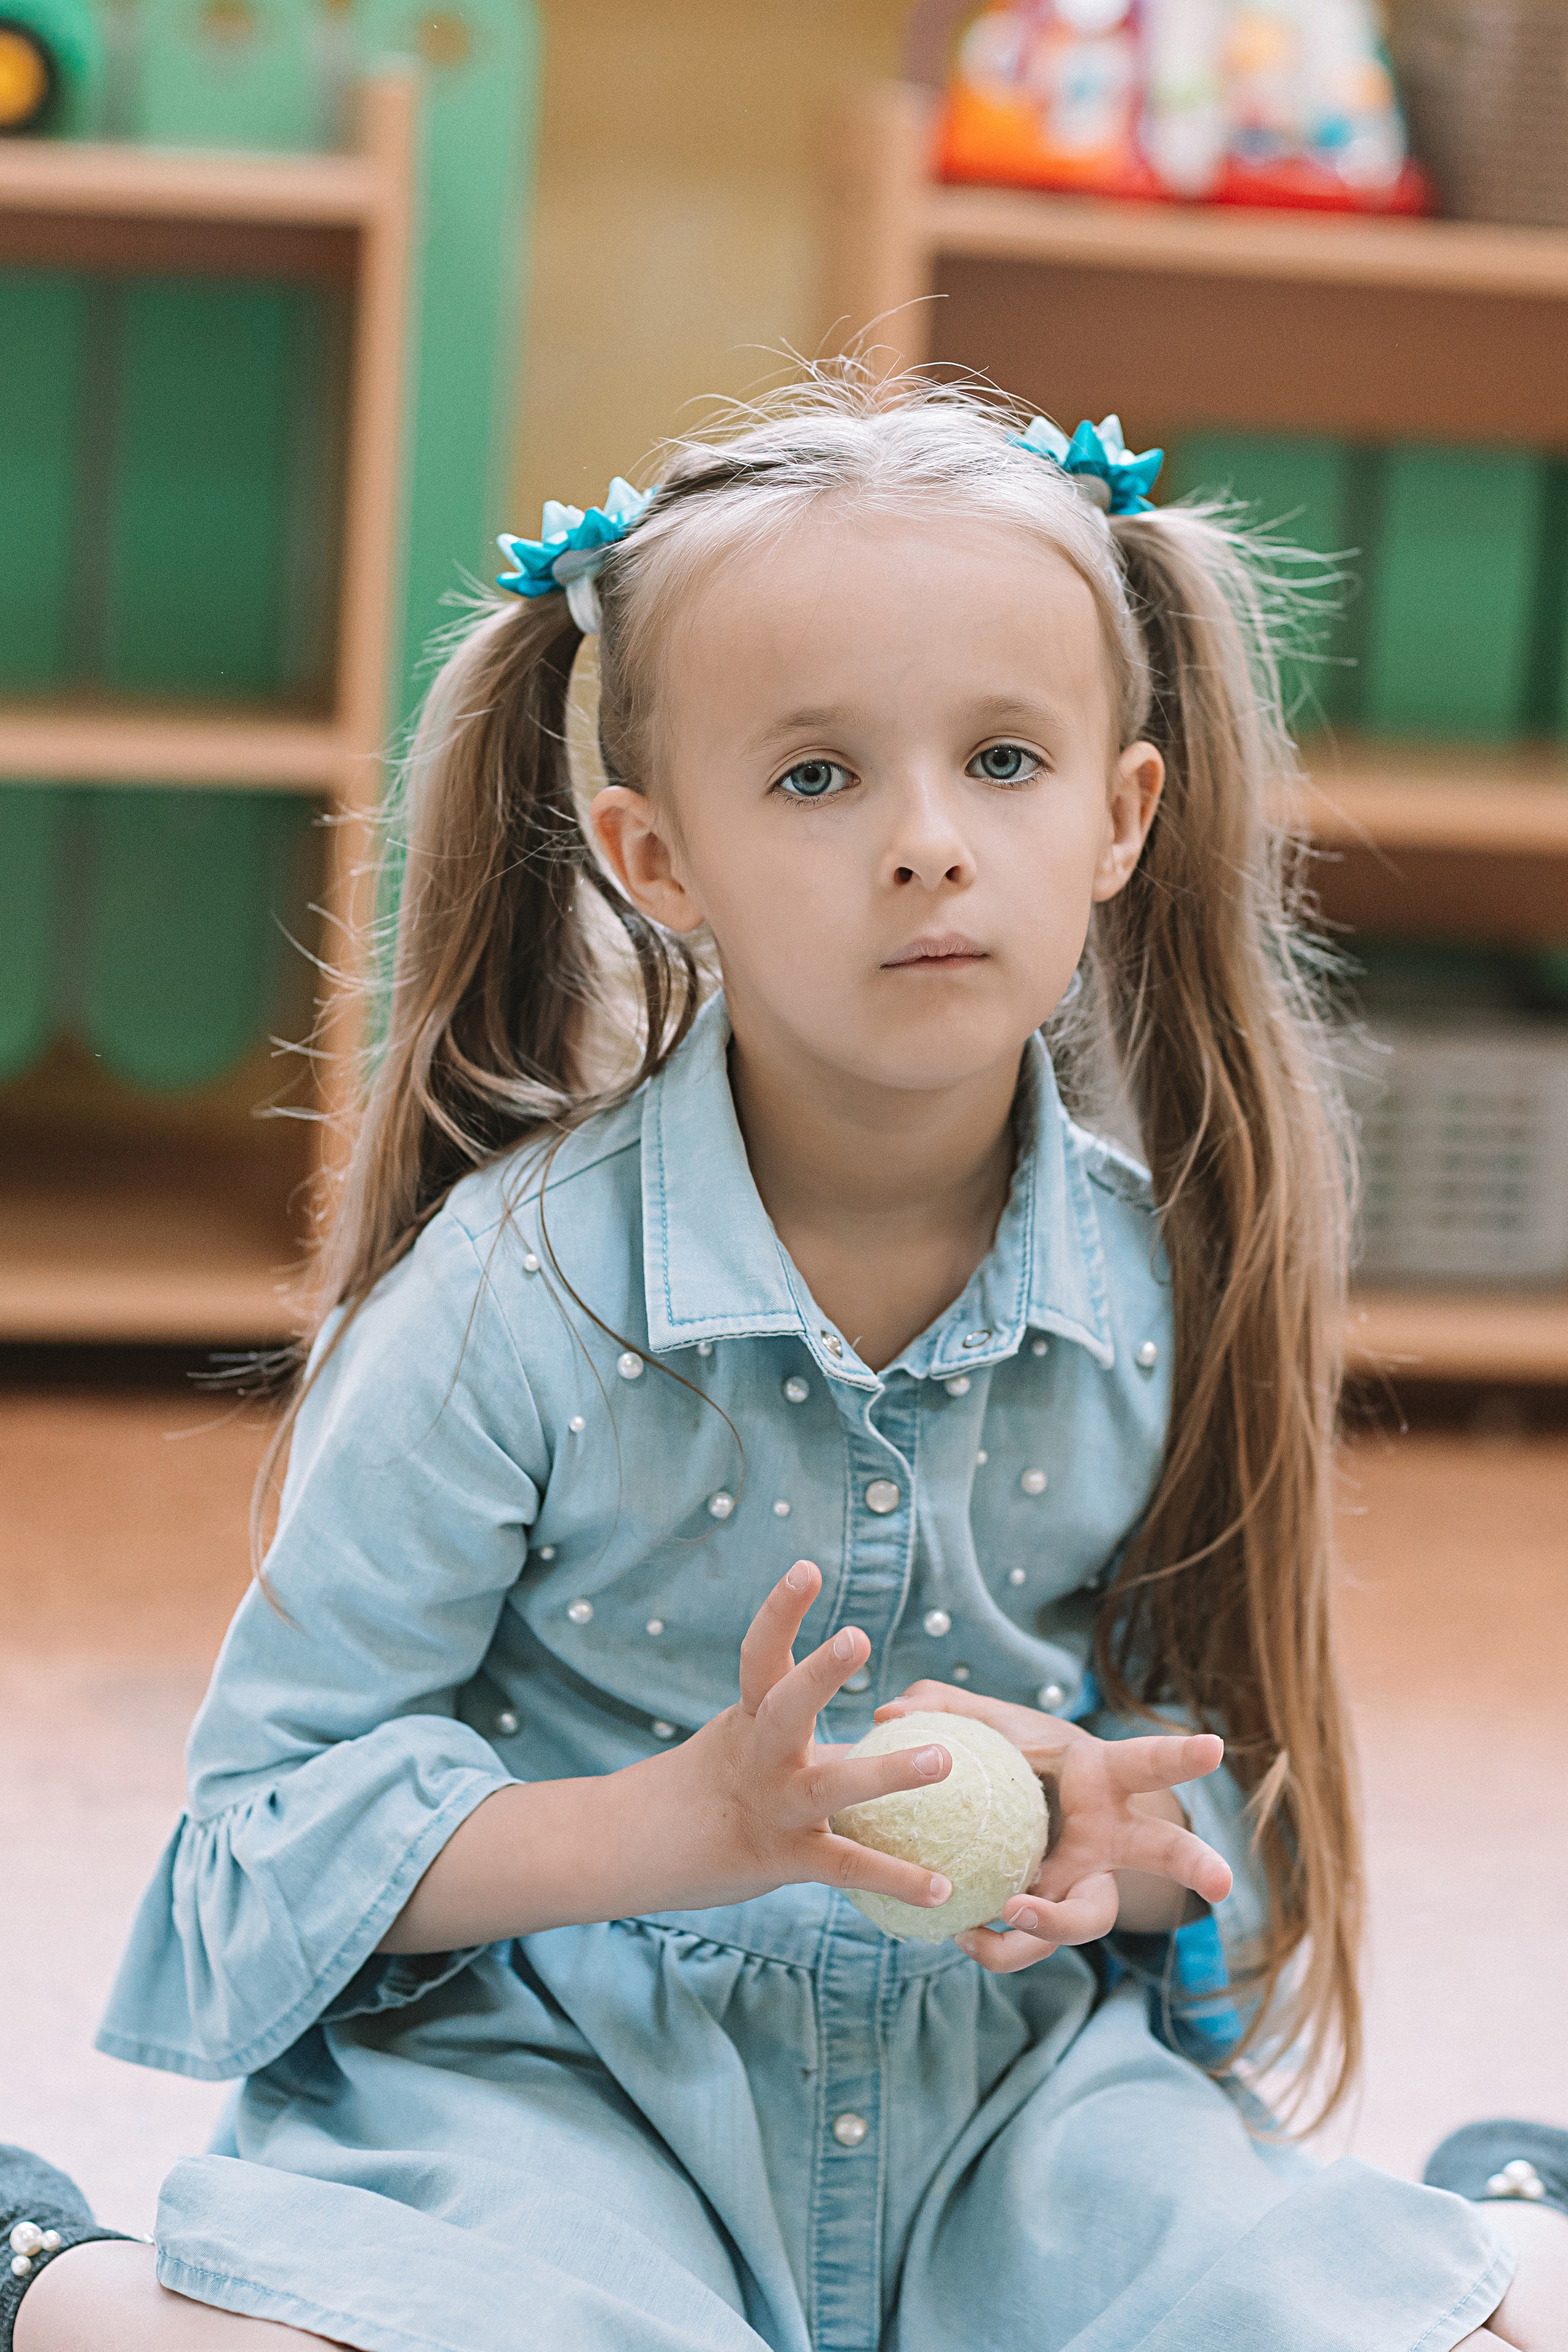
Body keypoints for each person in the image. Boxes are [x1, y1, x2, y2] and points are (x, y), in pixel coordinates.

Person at [7, 376, 1564, 2352]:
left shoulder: (1165, 1277)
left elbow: (1214, 1811)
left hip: (1005, 2107)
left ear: (1122, 815)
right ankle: (49, 2268)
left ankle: (1506, 2211)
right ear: (657, 857)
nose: (928, 845)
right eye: (817, 779)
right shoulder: (511, 1303)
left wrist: (1118, 1844)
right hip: (554, 2091)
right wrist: (682, 1828)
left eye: (1005, 758)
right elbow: (253, 1853)